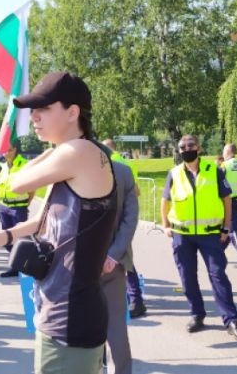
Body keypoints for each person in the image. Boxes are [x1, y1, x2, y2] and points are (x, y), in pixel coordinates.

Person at [0, 71, 118, 374]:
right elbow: (43, 220)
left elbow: (16, 183)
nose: (34, 117)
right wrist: (2, 237)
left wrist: (52, 149)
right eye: (33, 110)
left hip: (69, 317)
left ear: (73, 112)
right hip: (64, 309)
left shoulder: (78, 151)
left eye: (44, 108)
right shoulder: (74, 154)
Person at [161, 134, 237, 341]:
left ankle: (231, 320)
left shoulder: (214, 170)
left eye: (190, 145)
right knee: (187, 276)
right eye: (182, 147)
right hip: (182, 235)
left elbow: (226, 199)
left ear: (199, 148)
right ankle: (197, 314)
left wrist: (226, 227)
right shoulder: (174, 173)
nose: (186, 149)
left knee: (218, 276)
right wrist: (165, 225)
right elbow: (165, 201)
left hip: (210, 234)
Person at [101, 159, 139, 374]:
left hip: (79, 264)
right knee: (115, 324)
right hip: (112, 262)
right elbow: (130, 218)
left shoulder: (66, 167)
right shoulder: (123, 171)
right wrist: (114, 255)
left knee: (84, 324)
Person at [102, 138, 146, 318]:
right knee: (125, 259)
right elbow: (136, 191)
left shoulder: (114, 165)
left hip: (115, 222)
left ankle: (135, 299)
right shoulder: (126, 164)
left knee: (124, 261)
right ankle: (134, 298)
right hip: (123, 218)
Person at [0, 141, 30, 276]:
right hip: (4, 206)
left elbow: (31, 188)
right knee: (7, 238)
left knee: (20, 238)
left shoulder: (24, 164)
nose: (5, 153)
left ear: (14, 150)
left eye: (8, 150)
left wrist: (25, 204)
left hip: (18, 206)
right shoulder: (2, 166)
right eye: (4, 150)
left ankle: (18, 268)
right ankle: (17, 264)